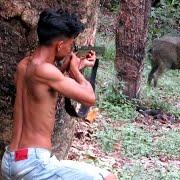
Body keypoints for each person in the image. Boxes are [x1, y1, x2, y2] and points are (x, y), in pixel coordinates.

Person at [0, 9, 117, 180]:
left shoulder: (24, 65)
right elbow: (89, 98)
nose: (71, 49)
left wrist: (76, 64)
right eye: (71, 45)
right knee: (108, 178)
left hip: (10, 161)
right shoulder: (47, 72)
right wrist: (76, 71)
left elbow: (44, 84)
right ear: (60, 45)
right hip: (34, 165)